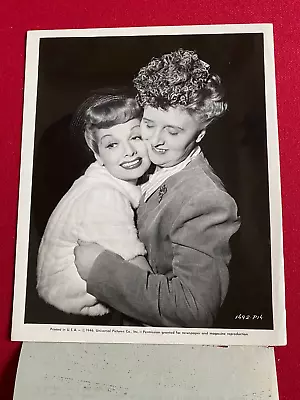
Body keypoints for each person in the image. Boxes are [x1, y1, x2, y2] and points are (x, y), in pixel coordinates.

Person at [74, 49, 241, 327]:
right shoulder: (147, 162)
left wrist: (100, 269)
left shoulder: (207, 200)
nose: (155, 141)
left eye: (173, 132)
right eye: (149, 124)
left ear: (199, 134)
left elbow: (194, 311)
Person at [36, 90, 151, 316]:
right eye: (111, 145)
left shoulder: (98, 182)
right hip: (72, 318)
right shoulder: (103, 195)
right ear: (97, 155)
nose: (129, 152)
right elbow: (144, 285)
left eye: (136, 137)